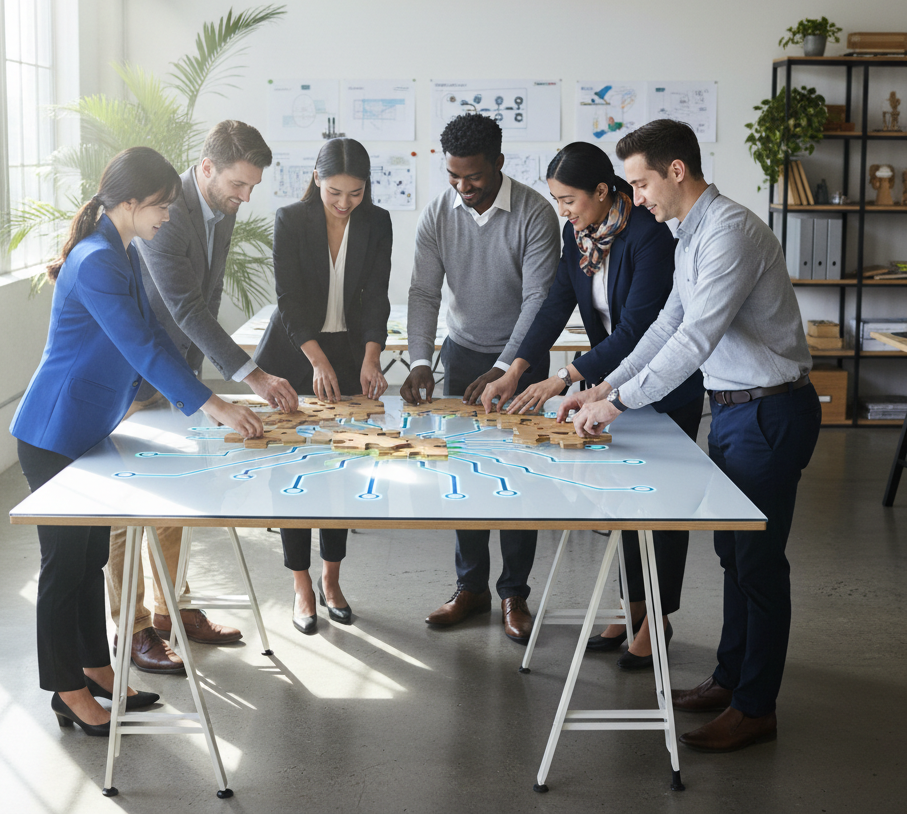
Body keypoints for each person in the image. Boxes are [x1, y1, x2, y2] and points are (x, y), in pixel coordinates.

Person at [566, 120, 821, 753]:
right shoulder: (690, 234)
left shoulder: (730, 232)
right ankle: (729, 680)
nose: (638, 196)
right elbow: (661, 328)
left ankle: (756, 707)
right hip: (735, 411)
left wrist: (618, 401)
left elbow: (695, 338)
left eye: (641, 182)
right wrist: (602, 388)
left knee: (758, 563)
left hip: (770, 411)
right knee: (734, 556)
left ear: (675, 171)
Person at [10, 147, 263, 736]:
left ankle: (98, 668)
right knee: (65, 566)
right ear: (129, 203)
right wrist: (215, 404)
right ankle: (67, 691)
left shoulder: (117, 249)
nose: (168, 217)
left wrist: (205, 399)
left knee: (91, 556)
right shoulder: (98, 259)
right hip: (53, 433)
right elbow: (140, 348)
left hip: (86, 430)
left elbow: (152, 333)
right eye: (161, 206)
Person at [479, 142, 704, 668]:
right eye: (557, 200)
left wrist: (565, 377)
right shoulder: (577, 232)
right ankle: (630, 608)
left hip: (665, 387)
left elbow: (637, 331)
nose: (563, 210)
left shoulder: (649, 236)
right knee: (623, 500)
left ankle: (658, 619)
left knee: (661, 507)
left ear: (604, 191)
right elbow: (558, 299)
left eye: (569, 200)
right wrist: (516, 368)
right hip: (611, 388)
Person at [105, 121, 298, 674]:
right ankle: (134, 629)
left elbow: (205, 302)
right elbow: (186, 309)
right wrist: (252, 377)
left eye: (253, 187)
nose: (245, 197)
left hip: (179, 374)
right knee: (127, 512)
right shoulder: (167, 214)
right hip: (136, 377)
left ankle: (172, 609)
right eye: (239, 184)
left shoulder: (222, 209)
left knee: (174, 495)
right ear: (207, 168)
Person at [401, 113, 559, 643]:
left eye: (473, 177)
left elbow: (539, 299)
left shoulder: (536, 213)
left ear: (499, 163)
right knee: (465, 475)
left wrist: (508, 365)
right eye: (453, 177)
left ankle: (514, 592)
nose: (463, 188)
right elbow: (423, 293)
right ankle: (470, 588)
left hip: (521, 362)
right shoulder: (438, 214)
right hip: (463, 356)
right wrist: (421, 359)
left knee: (517, 476)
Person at [254, 138, 393, 634]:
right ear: (316, 178)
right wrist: (314, 359)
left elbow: (377, 294)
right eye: (335, 191)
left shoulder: (377, 222)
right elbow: (288, 300)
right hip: (295, 355)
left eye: (355, 193)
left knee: (341, 470)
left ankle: (332, 580)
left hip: (350, 354)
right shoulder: (291, 220)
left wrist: (372, 356)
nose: (343, 202)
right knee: (293, 473)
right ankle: (301, 585)